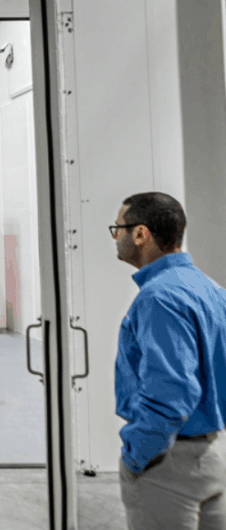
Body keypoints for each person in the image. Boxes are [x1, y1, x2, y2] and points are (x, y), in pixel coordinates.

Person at [112, 192, 226, 529]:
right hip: (210, 456)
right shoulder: (210, 289)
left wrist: (137, 455)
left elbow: (172, 391)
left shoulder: (159, 296)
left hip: (167, 464)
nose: (116, 237)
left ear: (141, 233)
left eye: (118, 228)